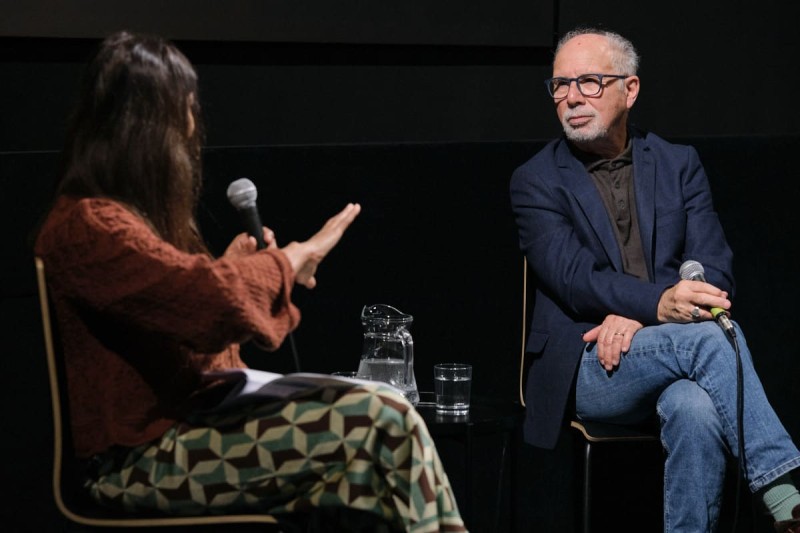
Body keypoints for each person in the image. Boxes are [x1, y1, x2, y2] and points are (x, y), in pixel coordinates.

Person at [34, 31, 466, 533]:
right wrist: (288, 261)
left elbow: (194, 320)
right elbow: (202, 304)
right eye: (185, 113)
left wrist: (238, 267)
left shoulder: (121, 224)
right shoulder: (89, 227)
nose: (193, 128)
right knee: (382, 421)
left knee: (371, 465)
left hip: (182, 438)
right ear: (146, 130)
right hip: (141, 464)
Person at [509, 27, 800, 532]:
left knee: (693, 409)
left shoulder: (678, 163)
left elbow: (714, 270)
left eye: (590, 82)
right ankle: (785, 496)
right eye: (560, 85)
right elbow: (576, 278)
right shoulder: (536, 179)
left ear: (631, 89)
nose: (572, 96)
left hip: (659, 348)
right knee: (712, 339)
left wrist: (642, 318)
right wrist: (657, 306)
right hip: (589, 360)